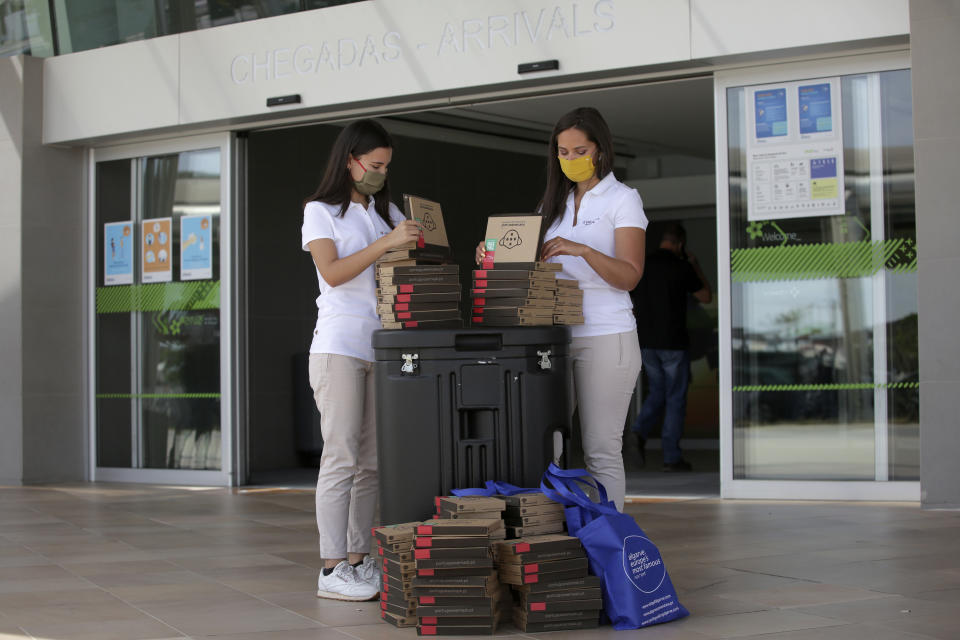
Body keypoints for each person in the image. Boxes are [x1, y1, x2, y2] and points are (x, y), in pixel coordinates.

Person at [476, 107, 646, 510]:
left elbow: (629, 275)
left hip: (607, 334)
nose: (570, 159)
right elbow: (526, 267)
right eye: (563, 152)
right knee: (543, 444)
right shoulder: (550, 205)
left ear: (601, 151)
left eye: (579, 150)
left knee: (601, 449)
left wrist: (582, 250)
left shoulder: (623, 199)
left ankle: (611, 543)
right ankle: (555, 541)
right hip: (554, 336)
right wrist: (492, 254)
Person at [301, 119, 421, 601]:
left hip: (381, 347)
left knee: (371, 461)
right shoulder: (321, 211)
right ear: (350, 160)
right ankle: (331, 567)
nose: (379, 173)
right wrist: (386, 243)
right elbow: (331, 272)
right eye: (374, 165)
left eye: (386, 166)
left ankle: (357, 558)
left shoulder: (384, 210)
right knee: (342, 456)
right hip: (338, 347)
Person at [630, 223, 712, 471]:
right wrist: (694, 264)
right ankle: (671, 457)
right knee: (675, 398)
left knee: (657, 392)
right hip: (673, 343)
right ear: (680, 244)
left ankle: (637, 432)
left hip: (646, 342)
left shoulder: (644, 265)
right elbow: (705, 296)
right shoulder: (682, 266)